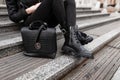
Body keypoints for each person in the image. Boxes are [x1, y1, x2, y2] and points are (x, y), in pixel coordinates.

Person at [5, 0, 93, 59]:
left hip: (47, 17)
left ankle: (70, 38)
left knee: (69, 1)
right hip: (31, 21)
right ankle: (73, 36)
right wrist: (30, 9)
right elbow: (13, 16)